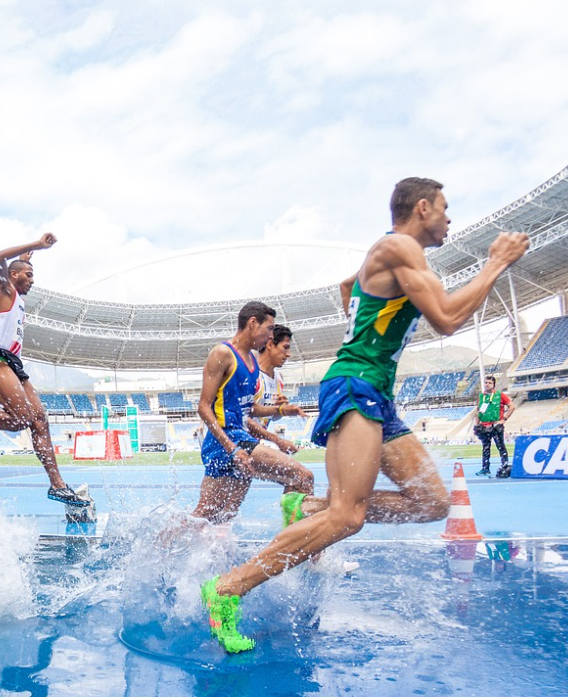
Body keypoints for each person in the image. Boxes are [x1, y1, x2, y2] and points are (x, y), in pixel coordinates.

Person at [201, 177, 530, 653]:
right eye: (444, 208)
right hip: (356, 386)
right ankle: (227, 589)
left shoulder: (392, 256)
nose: (449, 219)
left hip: (375, 391)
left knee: (431, 502)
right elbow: (446, 317)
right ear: (421, 208)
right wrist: (496, 262)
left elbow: (347, 285)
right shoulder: (399, 245)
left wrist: (366, 327)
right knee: (348, 517)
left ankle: (308, 508)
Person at [0, 234, 90, 507]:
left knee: (40, 420)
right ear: (12, 275)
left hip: (15, 365)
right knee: (20, 419)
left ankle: (57, 485)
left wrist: (28, 259)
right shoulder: (2, 291)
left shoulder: (16, 295)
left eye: (32, 275)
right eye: (27, 274)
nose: (32, 279)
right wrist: (36, 245)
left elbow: (16, 264)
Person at [191, 310, 313, 526]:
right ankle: (299, 550)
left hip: (235, 441)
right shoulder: (223, 353)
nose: (269, 336)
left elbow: (249, 408)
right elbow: (203, 406)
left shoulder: (251, 361)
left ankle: (159, 546)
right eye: (269, 329)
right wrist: (233, 448)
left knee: (213, 517)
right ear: (253, 323)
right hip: (228, 439)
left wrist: (281, 411)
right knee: (303, 477)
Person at [474, 376, 512, 478]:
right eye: (486, 382)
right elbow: (478, 411)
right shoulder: (481, 397)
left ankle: (505, 466)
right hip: (484, 426)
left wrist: (504, 419)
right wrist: (476, 424)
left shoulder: (500, 395)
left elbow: (512, 406)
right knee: (485, 448)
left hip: (496, 425)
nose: (487, 384)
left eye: (489, 383)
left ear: (494, 384)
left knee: (501, 446)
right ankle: (485, 468)